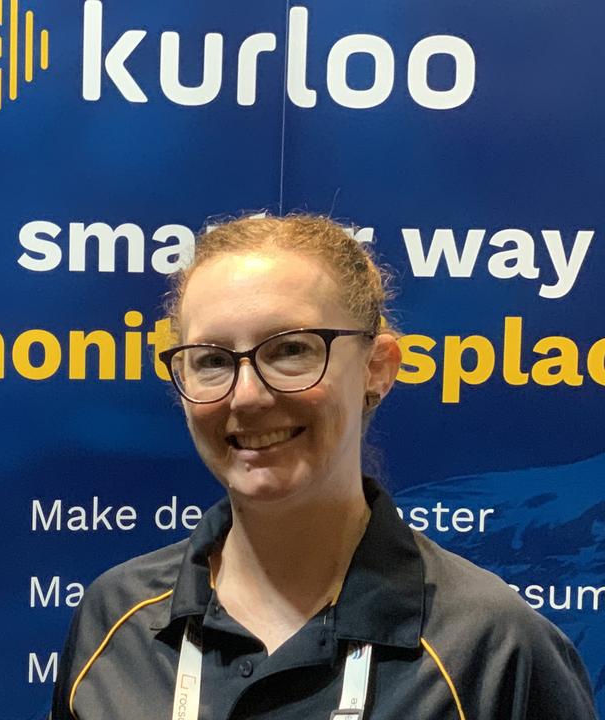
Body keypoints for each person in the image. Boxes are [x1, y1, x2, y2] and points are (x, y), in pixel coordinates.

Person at [50, 215, 596, 719]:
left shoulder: (492, 649)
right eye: (212, 360)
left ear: (378, 369)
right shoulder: (114, 617)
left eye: (290, 351)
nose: (247, 396)